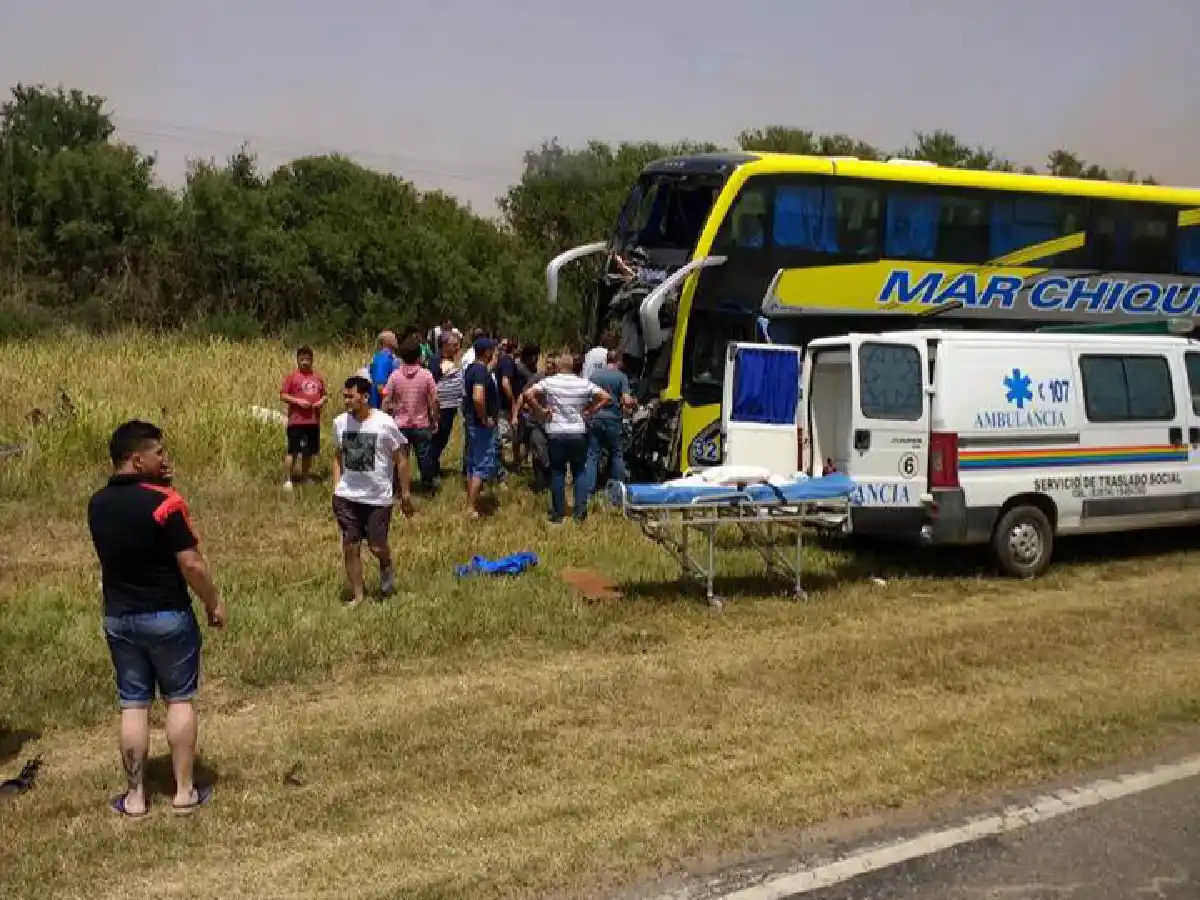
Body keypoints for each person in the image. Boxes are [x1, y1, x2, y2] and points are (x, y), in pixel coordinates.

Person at [87, 420, 227, 819]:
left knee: (133, 704)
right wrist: (213, 602)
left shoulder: (97, 504)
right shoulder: (166, 502)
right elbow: (191, 563)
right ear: (137, 460)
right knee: (178, 699)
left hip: (119, 616)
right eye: (159, 453)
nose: (165, 459)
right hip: (167, 614)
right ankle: (184, 792)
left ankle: (135, 797)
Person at [332, 376, 413, 606]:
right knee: (350, 546)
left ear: (365, 397)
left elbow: (401, 458)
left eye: (351, 396)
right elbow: (338, 455)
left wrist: (405, 493)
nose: (346, 401)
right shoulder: (340, 423)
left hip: (378, 498)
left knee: (377, 546)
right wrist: (337, 486)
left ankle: (386, 565)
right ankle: (358, 595)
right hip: (347, 496)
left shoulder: (384, 423)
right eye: (344, 396)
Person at [521, 353, 610, 524]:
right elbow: (606, 397)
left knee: (557, 472)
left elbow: (528, 394)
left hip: (556, 432)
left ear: (558, 366)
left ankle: (558, 513)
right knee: (579, 472)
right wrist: (591, 410)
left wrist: (540, 410)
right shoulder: (583, 382)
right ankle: (580, 513)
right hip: (578, 432)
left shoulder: (550, 381)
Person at [384, 338, 439, 492]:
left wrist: (388, 414)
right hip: (422, 423)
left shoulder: (395, 376)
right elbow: (434, 400)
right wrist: (435, 418)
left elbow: (386, 399)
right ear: (419, 356)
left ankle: (399, 486)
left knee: (400, 457)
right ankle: (427, 486)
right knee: (425, 457)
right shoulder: (426, 375)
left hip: (400, 424)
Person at [585, 350, 636, 495]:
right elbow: (626, 401)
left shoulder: (594, 375)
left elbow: (588, 397)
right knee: (617, 454)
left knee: (593, 454)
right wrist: (634, 403)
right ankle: (618, 491)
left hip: (596, 418)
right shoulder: (621, 377)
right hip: (613, 418)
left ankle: (589, 490)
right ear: (618, 361)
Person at [279, 346, 328, 490]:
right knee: (293, 451)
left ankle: (305, 477)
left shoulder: (318, 377)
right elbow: (283, 395)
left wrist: (321, 401)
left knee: (308, 451)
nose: (305, 362)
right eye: (302, 359)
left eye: (307, 359)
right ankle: (288, 479)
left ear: (312, 359)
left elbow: (325, 395)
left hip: (313, 421)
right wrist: (298, 401)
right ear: (298, 360)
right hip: (296, 421)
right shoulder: (292, 377)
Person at [462, 337, 500, 518]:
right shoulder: (480, 372)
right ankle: (471, 507)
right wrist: (484, 418)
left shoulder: (472, 368)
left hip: (472, 422)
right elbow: (478, 397)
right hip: (480, 425)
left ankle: (471, 502)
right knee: (482, 463)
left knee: (473, 463)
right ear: (487, 352)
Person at [428, 332, 464, 479]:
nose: (457, 348)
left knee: (442, 439)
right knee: (438, 439)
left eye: (458, 345)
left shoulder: (450, 360)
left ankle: (434, 467)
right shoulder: (435, 361)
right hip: (440, 408)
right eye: (454, 345)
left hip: (450, 407)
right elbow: (432, 385)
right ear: (444, 345)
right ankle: (430, 472)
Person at [368, 331, 398, 410]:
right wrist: (387, 405)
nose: (396, 340)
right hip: (382, 404)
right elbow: (380, 385)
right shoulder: (383, 358)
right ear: (387, 342)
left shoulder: (384, 357)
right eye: (393, 338)